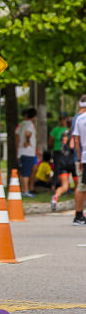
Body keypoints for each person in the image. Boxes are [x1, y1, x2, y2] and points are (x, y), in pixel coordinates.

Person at [53, 119, 78, 211]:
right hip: (72, 161)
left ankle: (55, 196)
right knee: (77, 185)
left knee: (65, 186)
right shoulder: (74, 133)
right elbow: (72, 146)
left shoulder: (64, 133)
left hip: (62, 161)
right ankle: (77, 205)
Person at [15, 108, 39, 198]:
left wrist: (17, 149)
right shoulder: (30, 125)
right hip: (28, 152)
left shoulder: (21, 124)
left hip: (21, 151)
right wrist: (28, 141)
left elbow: (17, 137)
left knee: (22, 172)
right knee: (26, 173)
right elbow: (28, 134)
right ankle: (26, 191)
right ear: (34, 116)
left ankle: (23, 190)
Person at [70, 96, 86, 226]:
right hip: (82, 158)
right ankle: (79, 215)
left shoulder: (78, 119)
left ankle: (79, 215)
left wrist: (79, 158)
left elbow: (75, 140)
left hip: (83, 157)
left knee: (81, 186)